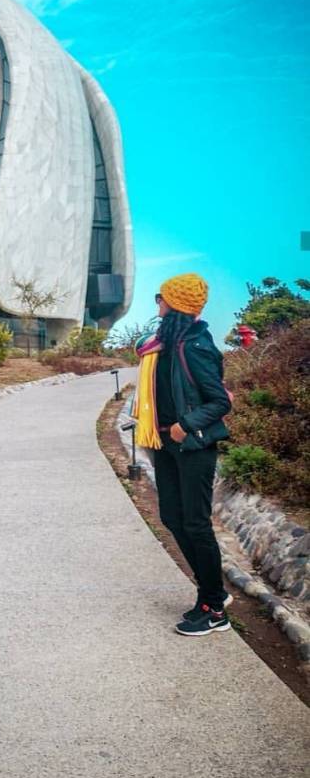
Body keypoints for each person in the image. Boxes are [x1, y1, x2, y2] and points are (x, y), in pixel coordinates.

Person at [133, 273, 233, 636]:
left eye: (160, 296)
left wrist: (186, 424)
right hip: (165, 445)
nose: (156, 302)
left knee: (195, 523)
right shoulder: (163, 345)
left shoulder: (195, 346)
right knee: (173, 518)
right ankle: (213, 590)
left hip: (192, 445)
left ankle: (213, 607)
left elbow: (220, 401)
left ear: (173, 305)